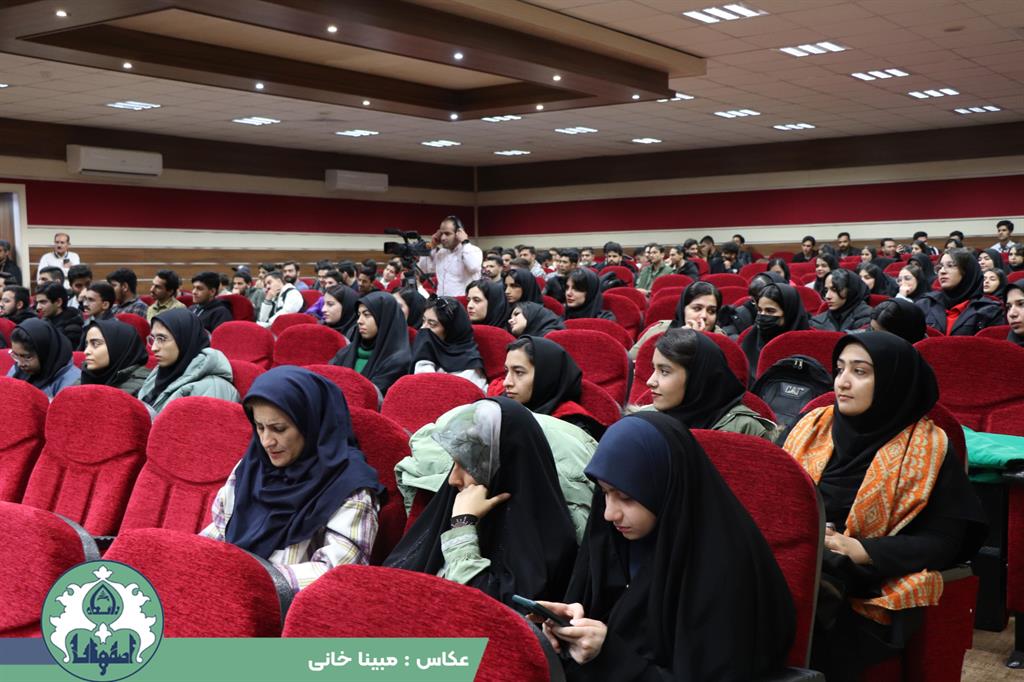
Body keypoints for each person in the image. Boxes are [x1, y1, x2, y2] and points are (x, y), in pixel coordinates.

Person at [784, 333, 986, 681]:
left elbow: (945, 542)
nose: (842, 382)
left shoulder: (929, 448)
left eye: (860, 372)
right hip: (795, 565)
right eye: (839, 369)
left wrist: (862, 550)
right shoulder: (810, 427)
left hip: (862, 594)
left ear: (894, 381)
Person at [536, 412, 794, 681]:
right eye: (605, 492)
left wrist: (609, 655)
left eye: (626, 497)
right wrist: (569, 632)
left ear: (665, 488)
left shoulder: (723, 572)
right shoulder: (612, 541)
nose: (609, 513)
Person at [201, 366, 383, 592]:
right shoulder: (252, 466)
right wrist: (196, 559)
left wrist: (248, 577)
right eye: (259, 427)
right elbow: (220, 530)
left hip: (288, 604)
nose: (266, 441)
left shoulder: (350, 487)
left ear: (311, 425)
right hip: (228, 588)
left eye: (278, 429)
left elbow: (338, 574)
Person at [385, 398, 579, 606]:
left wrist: (462, 529)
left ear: (506, 469)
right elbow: (393, 580)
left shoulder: (547, 547)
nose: (453, 479)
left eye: (469, 465)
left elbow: (483, 612)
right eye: (454, 463)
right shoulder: (450, 502)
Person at [644, 328, 775, 438]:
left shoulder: (745, 430)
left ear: (697, 377)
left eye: (664, 371)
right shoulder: (645, 420)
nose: (650, 382)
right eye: (654, 369)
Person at [139, 308, 239, 415]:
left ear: (184, 340)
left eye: (161, 339)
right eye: (153, 339)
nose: (153, 348)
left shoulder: (213, 389)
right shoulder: (160, 372)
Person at [502, 336, 605, 439]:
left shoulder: (571, 427)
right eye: (506, 371)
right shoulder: (503, 408)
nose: (506, 382)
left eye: (519, 372)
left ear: (546, 376)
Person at [330, 291, 411, 395]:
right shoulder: (346, 352)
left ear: (384, 319)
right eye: (359, 315)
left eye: (367, 315)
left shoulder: (398, 361)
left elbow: (370, 396)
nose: (359, 321)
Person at [916, 249, 1003, 336]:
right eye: (940, 267)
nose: (942, 271)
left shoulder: (990, 310)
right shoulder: (925, 304)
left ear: (967, 271)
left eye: (950, 266)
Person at [412, 297, 488, 391]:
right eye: (423, 321)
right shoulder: (423, 349)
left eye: (432, 324)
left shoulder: (469, 365)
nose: (423, 328)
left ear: (451, 330)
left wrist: (424, 358)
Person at [740, 283, 810, 381]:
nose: (762, 315)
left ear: (788, 313)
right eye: (759, 310)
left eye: (770, 311)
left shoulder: (807, 343)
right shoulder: (750, 339)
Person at [6, 318, 81, 399]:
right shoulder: (17, 370)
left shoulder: (73, 382)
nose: (20, 364)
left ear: (45, 354)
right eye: (16, 355)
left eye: (27, 357)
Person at [76, 318, 151, 394]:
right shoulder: (87, 375)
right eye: (86, 344)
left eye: (95, 344)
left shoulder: (143, 387)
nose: (86, 351)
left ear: (118, 347)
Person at [417, 216, 482, 297]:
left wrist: (465, 241)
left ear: (459, 233)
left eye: (447, 234)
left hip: (462, 302)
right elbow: (424, 269)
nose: (443, 238)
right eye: (441, 234)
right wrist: (432, 245)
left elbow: (473, 267)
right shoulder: (441, 253)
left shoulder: (474, 250)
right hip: (441, 300)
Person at [720, 271, 784, 338]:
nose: (758, 303)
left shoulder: (788, 313)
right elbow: (729, 335)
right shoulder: (742, 315)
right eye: (755, 299)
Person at [35, 281, 83, 348]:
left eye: (43, 302)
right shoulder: (43, 322)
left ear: (58, 302)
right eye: (37, 302)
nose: (38, 307)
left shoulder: (72, 328)